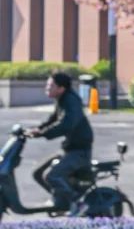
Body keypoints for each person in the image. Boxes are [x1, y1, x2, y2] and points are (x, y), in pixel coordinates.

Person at [31, 70, 94, 212]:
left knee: (52, 176)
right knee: (37, 173)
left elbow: (66, 123)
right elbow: (53, 119)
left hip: (79, 151)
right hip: (69, 149)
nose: (47, 89)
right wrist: (37, 129)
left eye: (50, 86)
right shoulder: (62, 99)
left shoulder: (71, 101)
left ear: (61, 88)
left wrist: (43, 133)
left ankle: (77, 204)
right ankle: (60, 200)